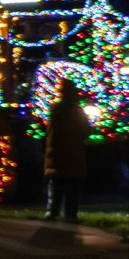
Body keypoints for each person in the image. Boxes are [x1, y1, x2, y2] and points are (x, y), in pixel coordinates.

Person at [43, 81, 92, 220]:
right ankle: (71, 213)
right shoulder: (77, 111)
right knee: (73, 186)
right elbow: (85, 131)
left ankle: (52, 211)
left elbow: (50, 132)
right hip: (74, 154)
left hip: (56, 154)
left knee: (56, 184)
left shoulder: (55, 110)